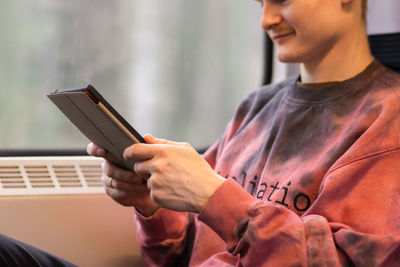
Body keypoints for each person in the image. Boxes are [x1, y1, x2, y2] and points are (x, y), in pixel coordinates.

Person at [1, 0, 399, 266]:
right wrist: (153, 205)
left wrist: (216, 198)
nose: (266, 20)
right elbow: (179, 255)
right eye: (260, 3)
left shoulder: (388, 119)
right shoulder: (256, 107)